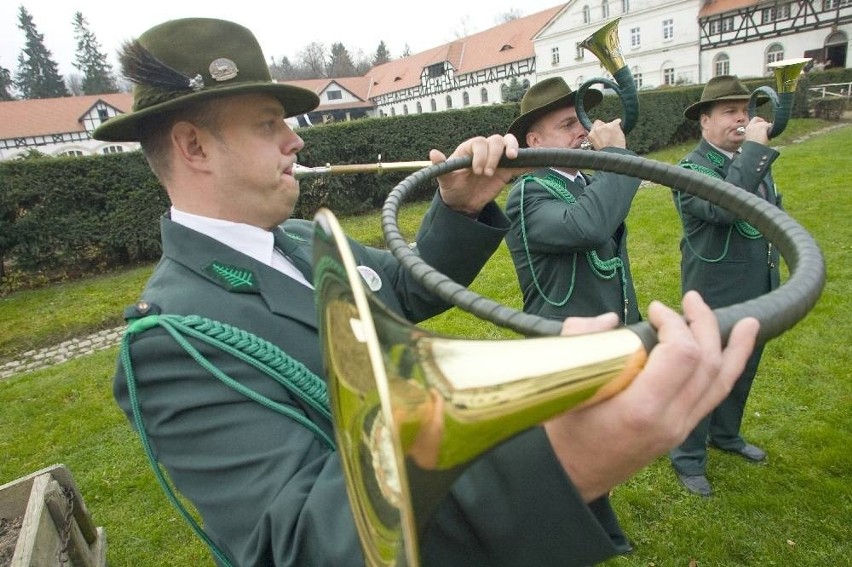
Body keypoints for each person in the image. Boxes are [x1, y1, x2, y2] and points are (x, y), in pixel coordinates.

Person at [95, 18, 759, 567]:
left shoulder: (296, 241)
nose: (295, 138)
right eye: (269, 123)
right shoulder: (171, 338)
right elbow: (301, 546)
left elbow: (403, 297)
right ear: (193, 146)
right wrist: (559, 466)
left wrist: (460, 208)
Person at [504, 77, 643, 552]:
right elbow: (588, 226)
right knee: (569, 455)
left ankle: (594, 530)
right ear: (534, 142)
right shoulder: (526, 194)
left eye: (582, 121)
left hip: (601, 334)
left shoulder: (584, 181)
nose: (582, 131)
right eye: (568, 124)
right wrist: (618, 158)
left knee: (591, 446)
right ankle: (569, 535)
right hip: (563, 347)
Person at [669, 75, 782, 497]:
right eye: (730, 112)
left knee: (742, 367)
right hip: (714, 292)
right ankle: (687, 457)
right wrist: (753, 149)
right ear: (704, 121)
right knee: (703, 375)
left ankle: (726, 435)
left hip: (758, 285)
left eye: (745, 111)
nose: (742, 119)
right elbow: (726, 208)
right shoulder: (690, 169)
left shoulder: (751, 160)